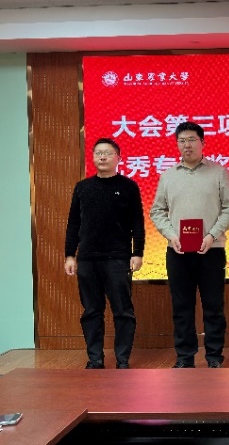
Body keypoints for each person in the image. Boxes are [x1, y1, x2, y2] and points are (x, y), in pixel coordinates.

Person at [150, 121, 229, 368]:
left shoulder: (219, 172)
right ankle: (185, 357)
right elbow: (157, 211)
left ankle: (214, 356)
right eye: (182, 140)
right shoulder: (168, 176)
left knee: (213, 306)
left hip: (212, 250)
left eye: (191, 139)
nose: (186, 145)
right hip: (177, 251)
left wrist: (212, 235)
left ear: (202, 142)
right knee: (182, 306)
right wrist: (171, 236)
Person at [64, 138, 145, 369]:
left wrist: (137, 252)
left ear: (118, 157)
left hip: (118, 258)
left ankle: (122, 359)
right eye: (98, 153)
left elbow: (137, 223)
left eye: (108, 153)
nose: (102, 157)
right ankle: (95, 359)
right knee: (91, 311)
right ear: (93, 157)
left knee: (123, 311)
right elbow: (73, 223)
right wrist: (70, 255)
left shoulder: (128, 186)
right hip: (87, 259)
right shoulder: (82, 188)